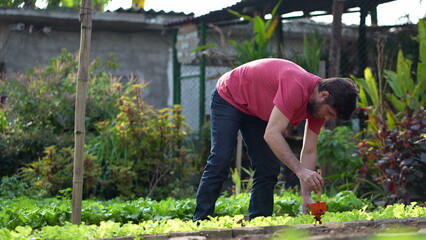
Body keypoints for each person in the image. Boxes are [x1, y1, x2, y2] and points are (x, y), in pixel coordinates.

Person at [193, 58, 359, 221]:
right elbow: (272, 134)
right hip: (230, 95)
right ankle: (201, 220)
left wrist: (305, 195)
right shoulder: (297, 86)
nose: (327, 118)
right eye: (329, 112)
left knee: (268, 166)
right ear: (324, 94)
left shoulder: (319, 107)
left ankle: (259, 223)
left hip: (257, 110)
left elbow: (309, 151)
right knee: (221, 157)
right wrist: (300, 171)